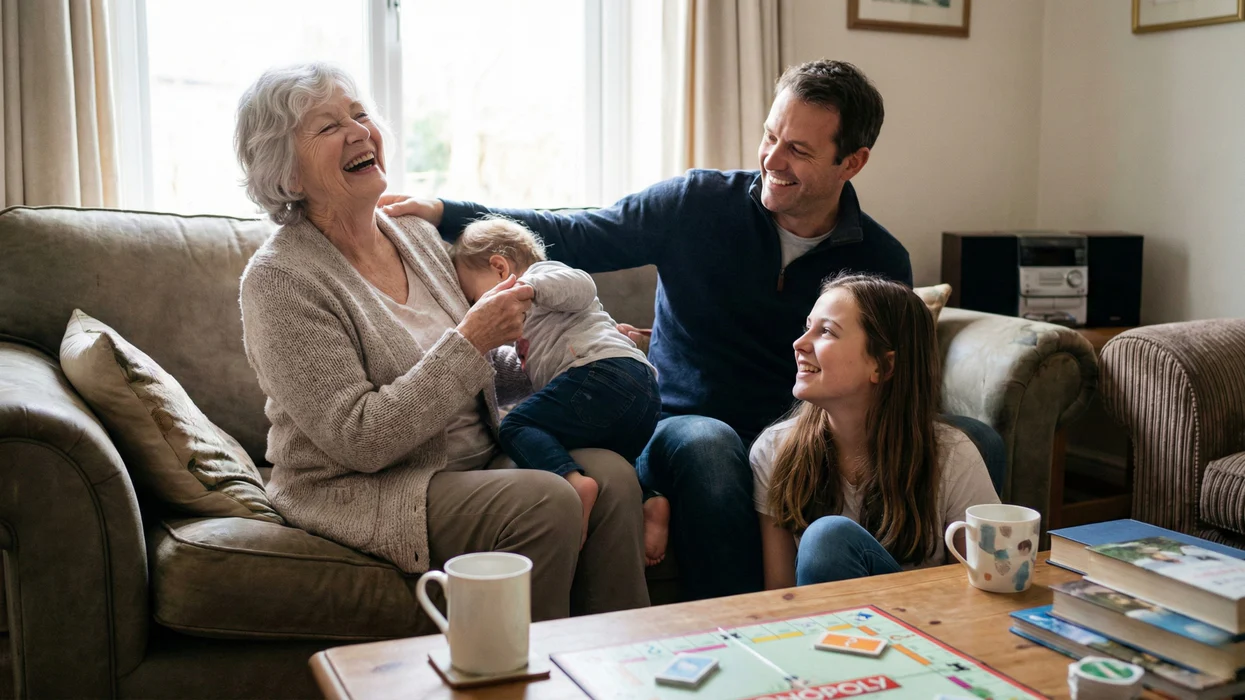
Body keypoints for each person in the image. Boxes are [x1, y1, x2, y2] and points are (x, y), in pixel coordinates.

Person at [380, 59, 1004, 600]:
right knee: (710, 446)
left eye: (799, 151)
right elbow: (576, 231)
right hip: (684, 422)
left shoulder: (881, 260)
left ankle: (947, 614)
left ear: (853, 162)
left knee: (977, 439)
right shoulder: (697, 203)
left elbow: (894, 378)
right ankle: (733, 636)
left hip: (809, 430)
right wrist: (446, 212)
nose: (771, 161)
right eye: (770, 137)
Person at [234, 63, 648, 625]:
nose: (358, 131)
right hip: (371, 485)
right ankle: (532, 680)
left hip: (478, 458)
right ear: (286, 174)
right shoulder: (280, 279)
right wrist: (469, 338)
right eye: (328, 127)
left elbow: (490, 361)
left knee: (614, 479)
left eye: (359, 114)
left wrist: (581, 344)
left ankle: (619, 669)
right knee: (549, 501)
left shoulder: (416, 236)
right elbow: (361, 438)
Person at [752, 275, 1000, 587]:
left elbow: (983, 588)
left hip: (921, 625)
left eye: (826, 331)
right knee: (827, 538)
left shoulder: (954, 456)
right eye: (808, 327)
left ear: (883, 367)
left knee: (828, 539)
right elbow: (781, 595)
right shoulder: (774, 451)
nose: (799, 344)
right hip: (820, 631)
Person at [449, 217, 665, 561]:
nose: (478, 309)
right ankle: (649, 500)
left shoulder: (539, 278)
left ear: (500, 268)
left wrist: (527, 291)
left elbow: (582, 285)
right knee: (603, 455)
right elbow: (498, 366)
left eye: (476, 298)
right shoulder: (532, 325)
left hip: (602, 374)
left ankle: (575, 484)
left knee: (516, 426)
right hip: (635, 394)